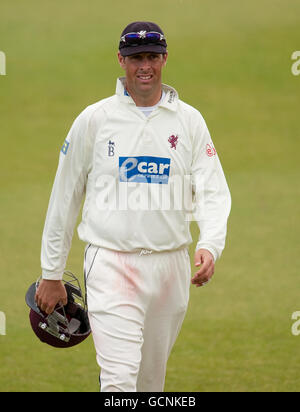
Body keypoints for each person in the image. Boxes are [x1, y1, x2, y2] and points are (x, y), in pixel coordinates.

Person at [35, 21, 231, 392]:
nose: (145, 66)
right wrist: (51, 271)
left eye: (152, 57)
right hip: (111, 263)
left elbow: (213, 189)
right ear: (121, 61)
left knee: (149, 383)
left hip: (170, 266)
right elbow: (64, 196)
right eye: (136, 57)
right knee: (119, 381)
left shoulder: (189, 121)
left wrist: (210, 243)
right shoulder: (94, 119)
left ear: (165, 59)